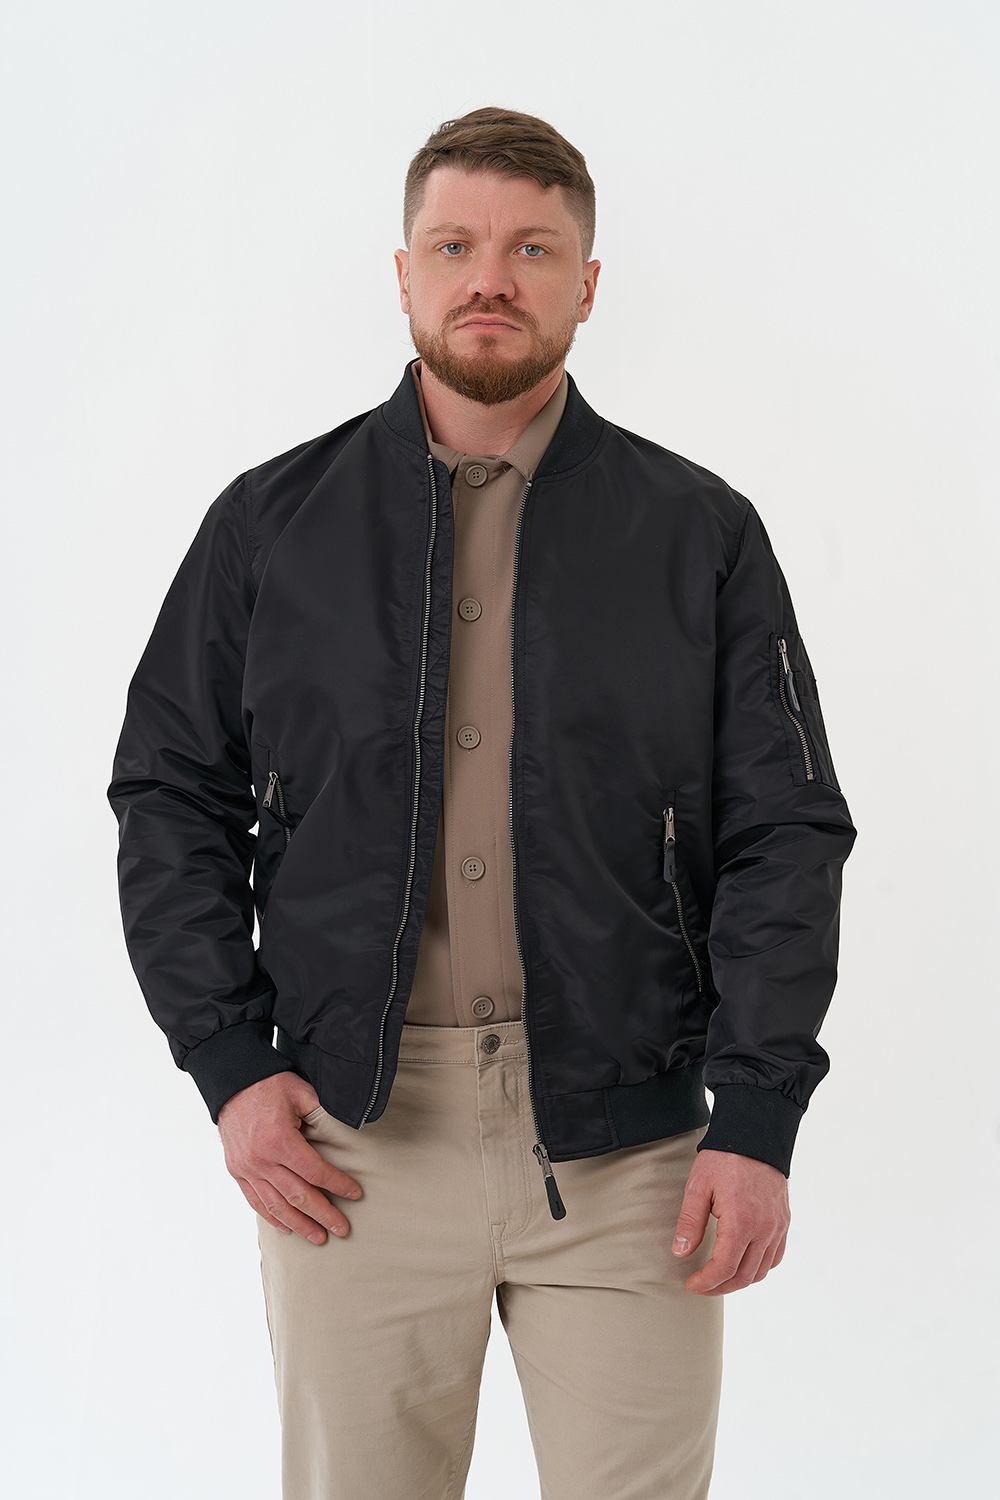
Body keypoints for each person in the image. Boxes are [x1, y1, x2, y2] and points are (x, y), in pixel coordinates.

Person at [107, 105, 857, 1500]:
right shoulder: (270, 526)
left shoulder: (700, 533)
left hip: (632, 1148)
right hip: (352, 1142)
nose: (490, 279)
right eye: (454, 246)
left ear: (588, 283)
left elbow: (786, 832)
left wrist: (758, 1113)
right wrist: (229, 1065)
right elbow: (169, 794)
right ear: (405, 274)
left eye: (533, 249)